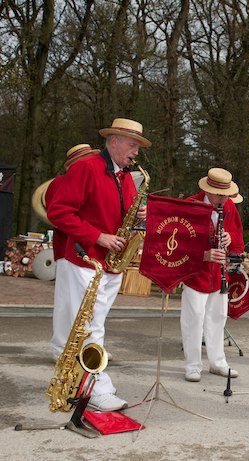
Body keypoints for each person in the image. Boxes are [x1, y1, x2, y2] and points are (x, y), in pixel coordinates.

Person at [47, 118, 150, 411]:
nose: (136, 153)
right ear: (113, 141)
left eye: (138, 147)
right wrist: (97, 236)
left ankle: (74, 381)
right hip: (84, 259)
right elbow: (58, 211)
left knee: (93, 325)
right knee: (88, 328)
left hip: (110, 263)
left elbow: (123, 214)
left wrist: (140, 214)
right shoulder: (87, 167)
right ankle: (95, 389)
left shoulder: (126, 176)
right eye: (132, 145)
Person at [180, 168, 244, 382]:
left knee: (218, 317)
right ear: (208, 190)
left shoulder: (229, 207)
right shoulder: (191, 205)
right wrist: (205, 254)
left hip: (219, 272)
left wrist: (229, 237)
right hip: (195, 272)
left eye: (226, 195)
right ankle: (192, 365)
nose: (223, 200)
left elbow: (236, 233)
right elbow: (179, 243)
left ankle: (218, 362)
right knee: (194, 319)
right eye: (220, 195)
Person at [46, 144, 103, 359]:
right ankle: (61, 348)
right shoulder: (61, 182)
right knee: (65, 302)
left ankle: (84, 346)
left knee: (84, 304)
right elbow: (58, 215)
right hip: (67, 248)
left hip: (82, 248)